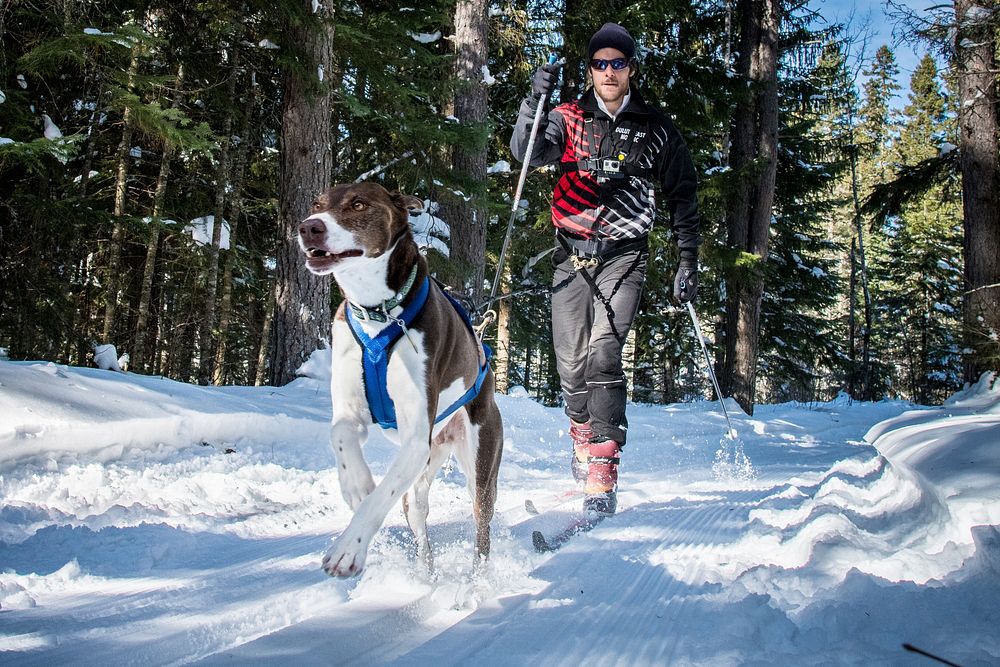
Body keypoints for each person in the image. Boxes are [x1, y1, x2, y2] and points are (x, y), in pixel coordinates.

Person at [510, 22, 701, 515]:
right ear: (590, 69)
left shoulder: (656, 126)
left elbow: (682, 195)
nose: (609, 71)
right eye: (600, 63)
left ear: (631, 68)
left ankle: (604, 461)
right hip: (570, 253)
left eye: (618, 63)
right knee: (570, 364)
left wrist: (687, 260)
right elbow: (525, 154)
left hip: (625, 255)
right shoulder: (567, 115)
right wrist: (534, 102)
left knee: (603, 353)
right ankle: (580, 431)